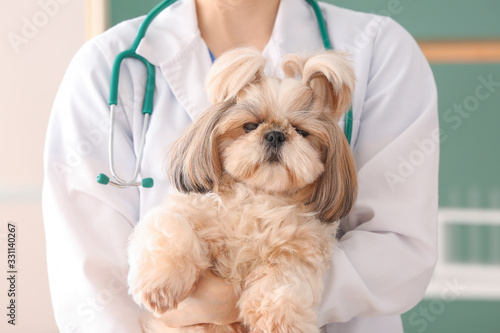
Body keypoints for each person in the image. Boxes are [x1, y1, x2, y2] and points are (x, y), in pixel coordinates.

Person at [42, 0, 439, 332]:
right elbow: (88, 283)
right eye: (251, 127)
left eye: (301, 132)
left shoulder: (382, 49)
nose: (274, 138)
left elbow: (401, 250)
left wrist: (266, 293)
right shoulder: (104, 66)